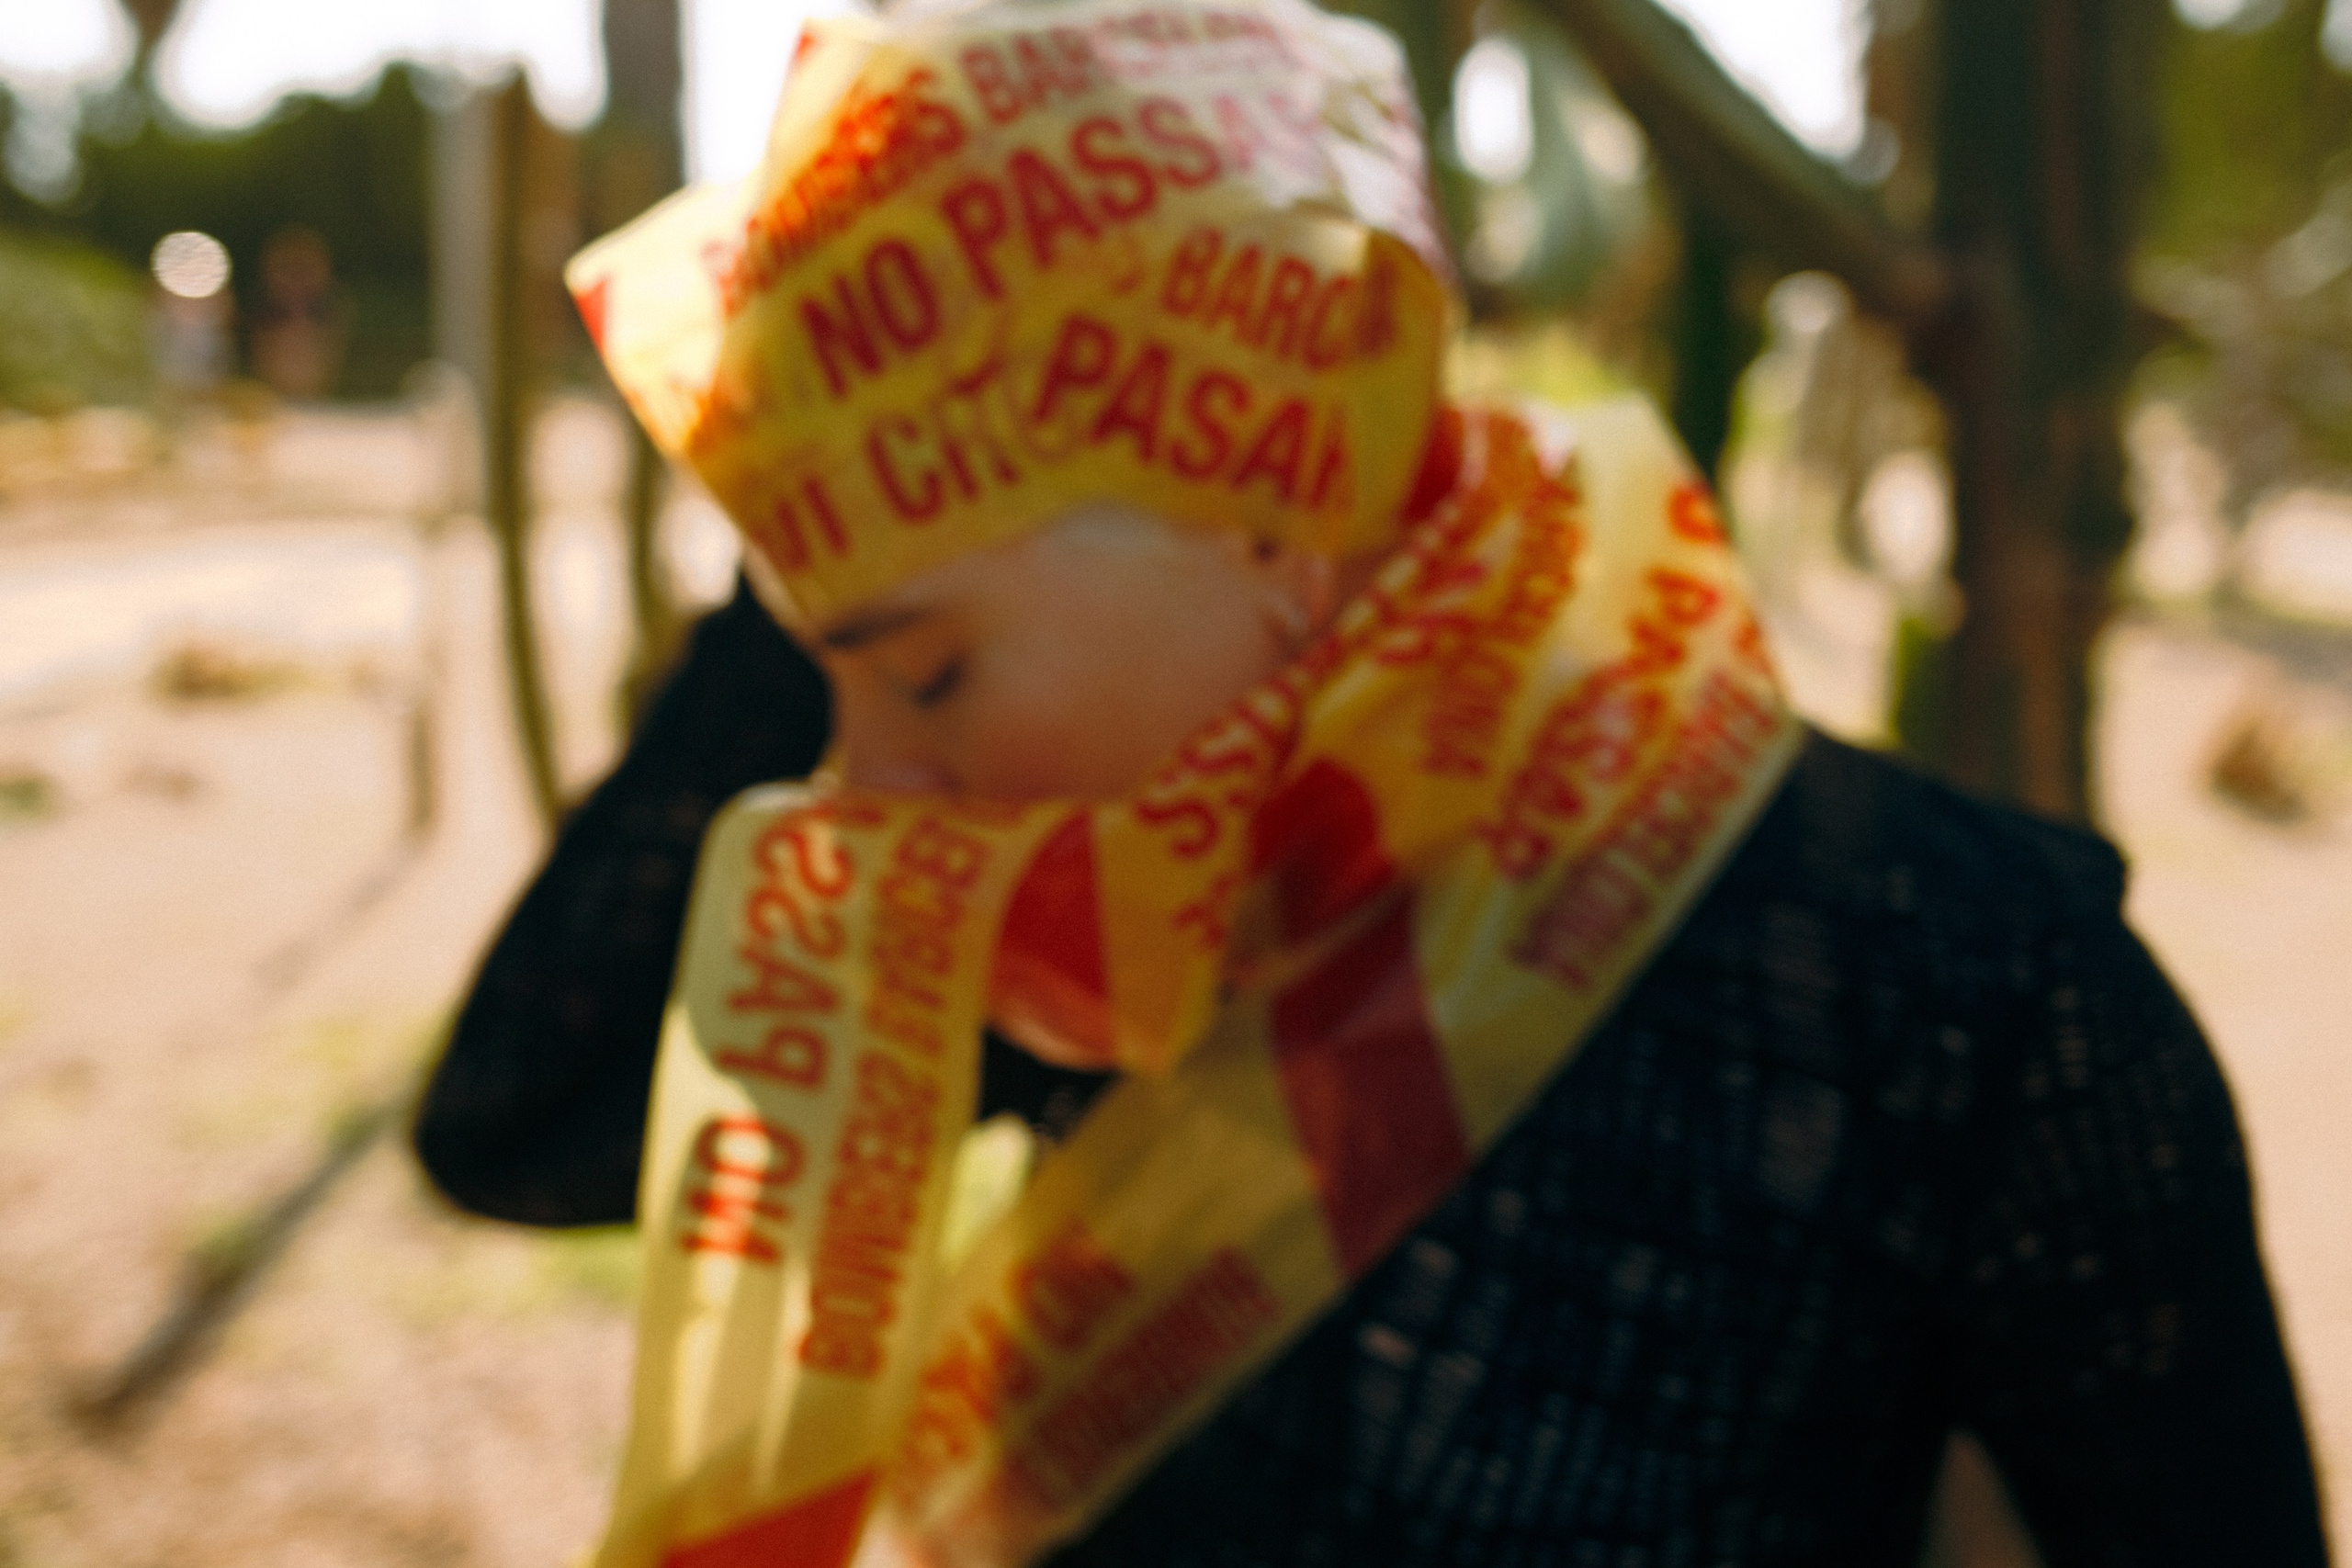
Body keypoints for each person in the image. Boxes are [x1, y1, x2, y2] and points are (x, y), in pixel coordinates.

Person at [414, 1, 2330, 1563]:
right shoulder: (1090, 924)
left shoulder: (1965, 988)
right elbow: (518, 1120)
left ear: (1275, 508)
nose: (866, 782)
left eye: (926, 670)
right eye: (840, 683)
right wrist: (827, 547)